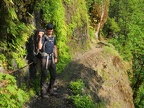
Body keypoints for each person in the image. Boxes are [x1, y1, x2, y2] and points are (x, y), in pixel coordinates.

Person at [37, 23, 58, 98]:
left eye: (51, 31)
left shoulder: (53, 38)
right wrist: (40, 37)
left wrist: (56, 57)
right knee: (44, 75)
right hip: (44, 58)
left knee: (54, 74)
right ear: (46, 30)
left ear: (52, 30)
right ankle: (43, 92)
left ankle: (50, 89)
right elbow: (39, 47)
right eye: (49, 31)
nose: (50, 32)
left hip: (51, 58)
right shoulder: (43, 37)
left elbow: (55, 48)